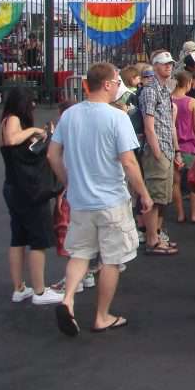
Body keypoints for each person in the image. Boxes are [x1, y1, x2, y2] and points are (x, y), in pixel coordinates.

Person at [48, 63, 152, 335]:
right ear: (106, 84)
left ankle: (68, 300)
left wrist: (68, 182)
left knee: (80, 253)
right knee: (112, 259)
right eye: (117, 81)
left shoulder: (70, 115)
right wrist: (143, 193)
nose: (120, 85)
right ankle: (102, 315)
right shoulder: (118, 118)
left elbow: (52, 154)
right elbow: (129, 162)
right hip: (111, 200)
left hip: (81, 199)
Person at [1, 85, 62, 305]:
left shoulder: (9, 120)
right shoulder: (13, 119)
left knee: (19, 237)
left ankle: (20, 288)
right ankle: (39, 291)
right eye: (31, 101)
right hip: (27, 190)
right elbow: (11, 140)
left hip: (15, 187)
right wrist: (35, 131)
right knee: (38, 239)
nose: (34, 105)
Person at [139, 51, 180, 256]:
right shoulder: (150, 90)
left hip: (166, 149)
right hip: (159, 150)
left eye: (170, 64)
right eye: (164, 64)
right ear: (155, 66)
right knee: (155, 197)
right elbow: (149, 126)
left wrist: (174, 151)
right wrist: (158, 153)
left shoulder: (164, 90)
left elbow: (168, 123)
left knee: (162, 197)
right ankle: (152, 239)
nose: (168, 67)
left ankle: (156, 235)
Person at [171, 71, 195, 224]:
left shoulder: (168, 100)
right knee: (194, 182)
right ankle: (194, 213)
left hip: (173, 146)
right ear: (188, 83)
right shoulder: (191, 101)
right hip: (190, 145)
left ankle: (180, 213)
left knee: (175, 182)